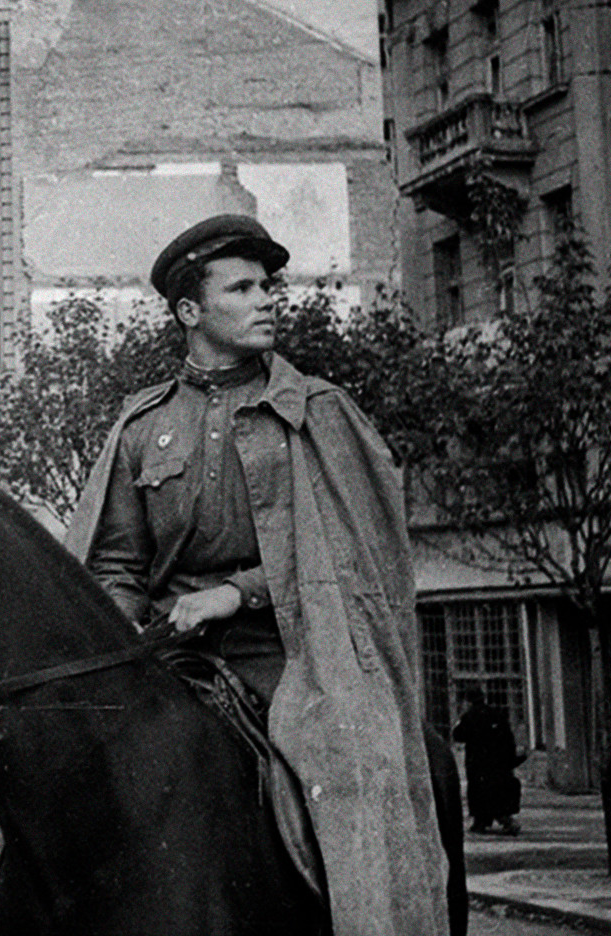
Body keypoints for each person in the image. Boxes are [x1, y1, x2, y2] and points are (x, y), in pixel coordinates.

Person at [57, 210, 449, 934]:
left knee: (361, 769)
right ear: (189, 310)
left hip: (296, 654)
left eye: (268, 284)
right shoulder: (143, 427)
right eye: (242, 288)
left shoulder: (316, 412)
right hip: (167, 655)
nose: (268, 298)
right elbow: (116, 560)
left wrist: (232, 594)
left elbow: (349, 554)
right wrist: (115, 638)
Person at [452, 687, 524, 835]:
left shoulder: (468, 716)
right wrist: (509, 759)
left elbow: (458, 735)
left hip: (477, 762)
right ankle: (504, 820)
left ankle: (482, 822)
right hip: (497, 762)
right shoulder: (496, 714)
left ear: (468, 701)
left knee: (479, 792)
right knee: (497, 792)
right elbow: (508, 738)